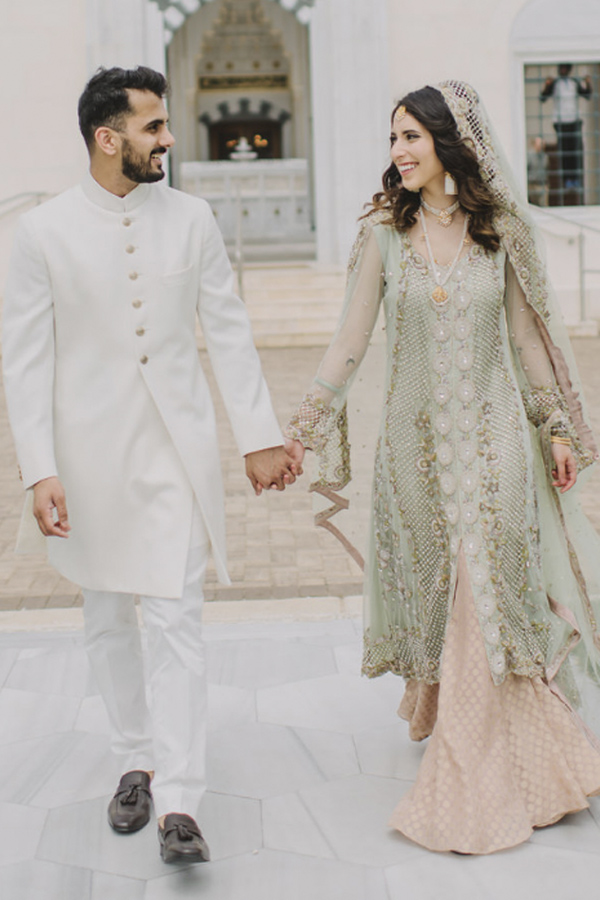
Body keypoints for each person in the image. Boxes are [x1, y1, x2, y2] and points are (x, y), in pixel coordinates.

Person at [285, 81, 600, 854]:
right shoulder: (384, 235)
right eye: (392, 139)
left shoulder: (500, 233)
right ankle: (464, 721)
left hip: (496, 446)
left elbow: (528, 342)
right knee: (443, 592)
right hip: (414, 452)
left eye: (410, 138)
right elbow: (349, 341)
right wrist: (305, 428)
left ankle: (485, 769)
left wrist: (556, 427)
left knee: (484, 587)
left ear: (450, 141)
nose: (397, 152)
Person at [2, 66, 299, 864]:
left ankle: (180, 802)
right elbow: (24, 360)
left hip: (175, 453)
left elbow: (228, 332)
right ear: (108, 138)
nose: (169, 138)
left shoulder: (193, 219)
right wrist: (40, 468)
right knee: (106, 619)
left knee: (176, 620)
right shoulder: (42, 233)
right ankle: (135, 758)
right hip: (87, 458)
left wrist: (259, 435)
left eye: (167, 125)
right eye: (154, 127)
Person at [540, 64, 592, 202]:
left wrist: (588, 83)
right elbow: (543, 97)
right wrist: (547, 85)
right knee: (564, 152)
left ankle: (574, 180)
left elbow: (587, 95)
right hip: (561, 122)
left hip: (574, 121)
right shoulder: (556, 83)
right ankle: (567, 180)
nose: (563, 71)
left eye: (565, 69)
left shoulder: (574, 83)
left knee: (575, 151)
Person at [527, 136, 548, 206]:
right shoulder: (529, 155)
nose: (542, 146)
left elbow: (546, 170)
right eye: (540, 144)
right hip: (532, 184)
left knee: (543, 205)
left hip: (542, 184)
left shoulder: (545, 156)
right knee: (533, 205)